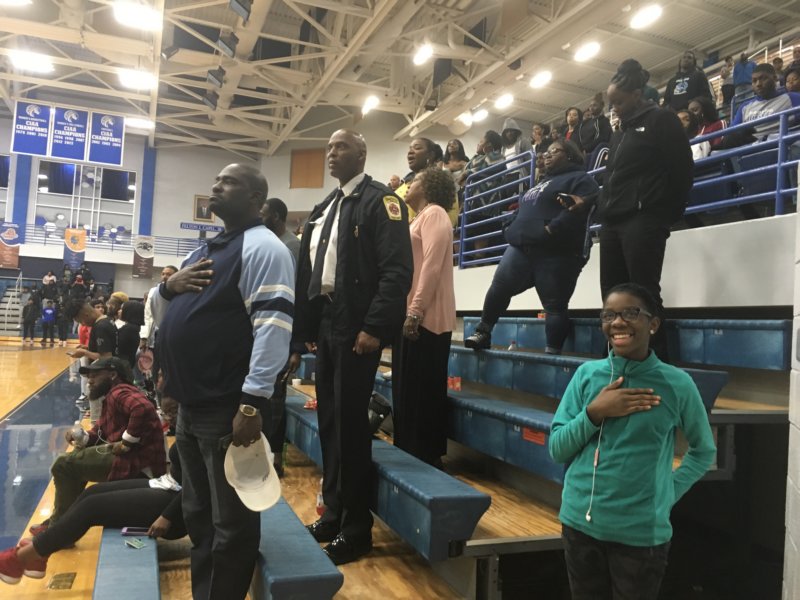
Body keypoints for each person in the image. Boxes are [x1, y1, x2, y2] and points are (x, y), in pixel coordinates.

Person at [152, 162, 294, 600]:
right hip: (190, 407)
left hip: (227, 406)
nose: (216, 186)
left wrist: (252, 402)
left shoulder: (265, 248)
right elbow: (162, 314)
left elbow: (273, 327)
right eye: (215, 180)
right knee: (197, 515)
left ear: (256, 198)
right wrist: (168, 288)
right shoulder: (202, 252)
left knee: (231, 524)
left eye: (228, 182)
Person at [291, 129, 412, 565]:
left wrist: (375, 326)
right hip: (327, 322)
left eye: (340, 146)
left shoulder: (383, 202)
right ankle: (333, 512)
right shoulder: (325, 206)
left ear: (362, 154)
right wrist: (307, 326)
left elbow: (397, 270)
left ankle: (357, 528)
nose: (331, 153)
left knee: (350, 427)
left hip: (358, 326)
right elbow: (310, 272)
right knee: (329, 422)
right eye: (328, 147)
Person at [549, 283, 715, 599]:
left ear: (653, 323)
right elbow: (558, 448)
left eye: (630, 313)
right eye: (608, 315)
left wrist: (668, 492)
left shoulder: (677, 384)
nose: (617, 322)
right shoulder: (587, 375)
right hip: (579, 527)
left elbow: (703, 451)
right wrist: (594, 413)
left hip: (640, 537)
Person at [0, 397, 184, 586]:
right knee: (91, 493)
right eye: (168, 412)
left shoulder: (199, 429)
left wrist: (168, 516)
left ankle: (19, 559)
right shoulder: (187, 424)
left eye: (174, 411)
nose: (170, 417)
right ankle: (42, 553)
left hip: (179, 507)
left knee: (92, 506)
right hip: (167, 485)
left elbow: (197, 486)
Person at [464, 139, 599, 354]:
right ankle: (483, 332)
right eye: (546, 152)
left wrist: (551, 229)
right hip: (520, 247)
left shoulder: (581, 179)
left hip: (558, 252)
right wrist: (508, 228)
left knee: (554, 306)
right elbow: (521, 210)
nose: (547, 155)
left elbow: (582, 209)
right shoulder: (538, 183)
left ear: (569, 155)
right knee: (499, 289)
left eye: (554, 151)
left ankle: (552, 353)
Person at [598, 59, 693, 360]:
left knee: (644, 294)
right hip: (612, 222)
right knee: (612, 296)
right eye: (611, 103)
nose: (614, 109)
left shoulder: (661, 120)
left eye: (619, 102)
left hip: (643, 219)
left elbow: (682, 171)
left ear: (637, 95)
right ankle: (616, 362)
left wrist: (662, 214)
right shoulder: (620, 130)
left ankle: (657, 364)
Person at [31, 357, 166, 534]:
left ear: (112, 375)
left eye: (95, 376)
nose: (90, 381)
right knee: (73, 459)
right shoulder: (112, 396)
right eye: (89, 377)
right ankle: (63, 519)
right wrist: (81, 436)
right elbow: (100, 432)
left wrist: (127, 442)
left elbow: (142, 408)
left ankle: (58, 529)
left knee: (63, 465)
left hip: (137, 462)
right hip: (135, 458)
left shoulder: (119, 392)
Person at [391, 168, 456, 467]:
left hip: (426, 320)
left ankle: (426, 457)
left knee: (422, 394)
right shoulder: (419, 217)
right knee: (407, 393)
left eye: (414, 180)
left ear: (428, 186)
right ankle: (409, 452)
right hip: (412, 315)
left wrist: (415, 311)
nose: (408, 184)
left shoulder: (435, 214)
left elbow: (431, 266)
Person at [398, 138, 459, 226]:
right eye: (410, 148)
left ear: (430, 155)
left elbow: (445, 221)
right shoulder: (404, 184)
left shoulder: (441, 184)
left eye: (417, 148)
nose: (410, 152)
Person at [260, 197, 300, 263]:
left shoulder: (292, 245)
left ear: (276, 216)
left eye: (262, 216)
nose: (260, 220)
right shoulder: (271, 241)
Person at [117, 301, 144, 371]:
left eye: (122, 309)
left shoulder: (128, 329)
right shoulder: (136, 327)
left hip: (123, 366)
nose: (119, 311)